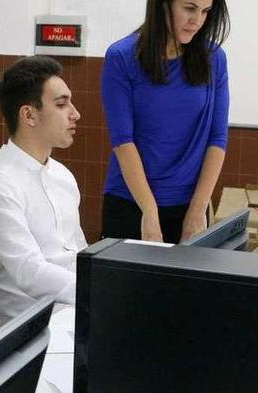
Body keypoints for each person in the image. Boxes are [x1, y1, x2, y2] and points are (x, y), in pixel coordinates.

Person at [0, 56, 85, 330]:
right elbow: (29, 272)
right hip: (32, 332)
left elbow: (80, 253)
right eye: (61, 104)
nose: (75, 113)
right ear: (28, 115)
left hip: (78, 312)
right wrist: (100, 292)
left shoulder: (62, 176)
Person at [101, 0, 230, 243]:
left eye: (205, 11)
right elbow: (122, 141)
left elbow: (217, 138)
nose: (197, 20)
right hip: (132, 205)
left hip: (191, 205)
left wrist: (197, 208)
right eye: (189, 8)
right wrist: (149, 213)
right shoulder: (122, 57)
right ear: (163, 5)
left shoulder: (215, 59)